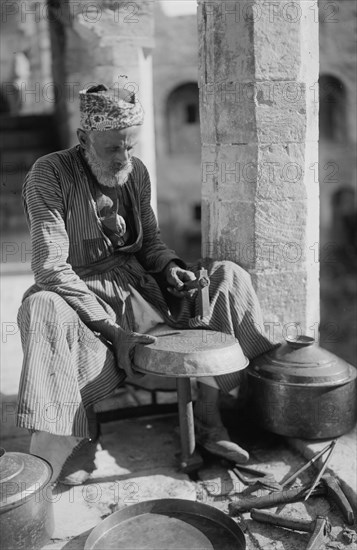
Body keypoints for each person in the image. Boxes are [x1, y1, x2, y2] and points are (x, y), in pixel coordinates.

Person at [16, 84, 275, 485]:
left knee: (228, 277)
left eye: (129, 148)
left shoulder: (135, 172)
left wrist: (170, 267)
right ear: (84, 139)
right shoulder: (49, 174)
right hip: (83, 294)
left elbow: (150, 242)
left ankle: (209, 418)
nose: (123, 158)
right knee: (42, 306)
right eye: (112, 150)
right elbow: (50, 267)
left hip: (141, 286)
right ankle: (81, 435)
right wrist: (111, 330)